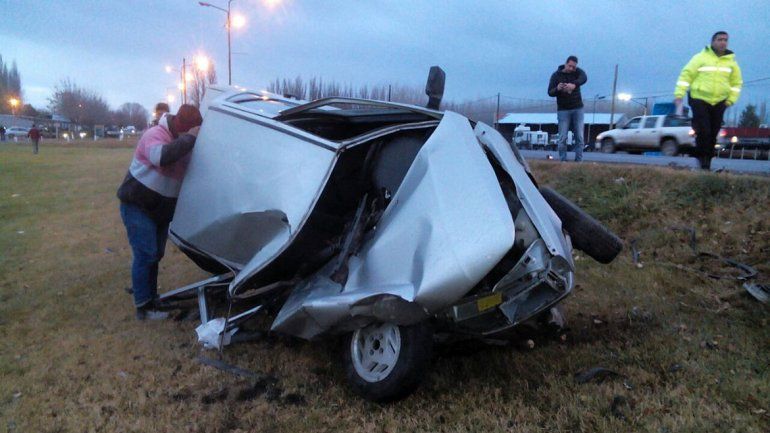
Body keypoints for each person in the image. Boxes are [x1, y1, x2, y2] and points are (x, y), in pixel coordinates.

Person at [117, 104, 203, 320]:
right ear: (181, 125)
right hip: (138, 204)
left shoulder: (183, 141)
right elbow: (160, 157)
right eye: (193, 130)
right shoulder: (155, 134)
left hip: (159, 210)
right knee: (146, 253)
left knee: (154, 255)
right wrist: (190, 138)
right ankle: (144, 308)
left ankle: (151, 297)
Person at [674, 31, 742, 170]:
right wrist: (679, 94)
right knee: (703, 130)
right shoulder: (700, 58)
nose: (723, 42)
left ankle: (707, 161)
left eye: (725, 40)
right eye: (719, 39)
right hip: (699, 98)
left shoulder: (731, 63)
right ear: (712, 42)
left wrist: (730, 100)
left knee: (713, 132)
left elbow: (737, 83)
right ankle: (702, 159)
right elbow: (686, 75)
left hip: (719, 102)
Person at [548, 55, 588, 162]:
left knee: (579, 136)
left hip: (577, 108)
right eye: (570, 66)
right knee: (563, 137)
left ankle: (578, 161)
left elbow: (584, 77)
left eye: (573, 67)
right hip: (563, 110)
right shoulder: (556, 75)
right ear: (565, 64)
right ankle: (563, 160)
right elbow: (550, 92)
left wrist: (574, 84)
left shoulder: (578, 73)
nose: (571, 69)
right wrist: (558, 88)